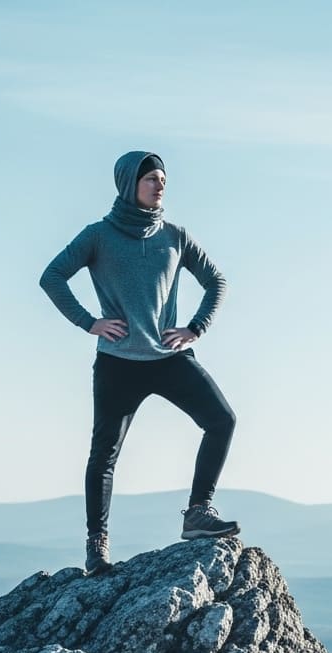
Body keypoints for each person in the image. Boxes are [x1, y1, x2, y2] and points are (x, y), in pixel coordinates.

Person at [40, 150, 239, 576]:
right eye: (151, 178)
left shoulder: (175, 236)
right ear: (129, 183)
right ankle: (97, 547)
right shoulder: (98, 236)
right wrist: (89, 322)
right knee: (104, 455)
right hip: (118, 363)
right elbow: (52, 276)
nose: (159, 184)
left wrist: (195, 328)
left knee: (222, 420)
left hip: (170, 358)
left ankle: (198, 512)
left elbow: (216, 281)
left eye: (163, 178)